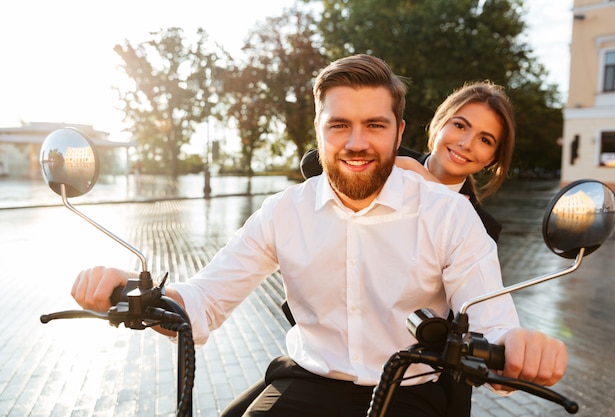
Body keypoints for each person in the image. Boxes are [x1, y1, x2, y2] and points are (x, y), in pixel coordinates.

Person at [72, 54, 567, 417]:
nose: (356, 142)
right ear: (318, 131)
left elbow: (491, 320)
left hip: (410, 392)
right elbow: (206, 296)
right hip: (308, 380)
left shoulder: (453, 217)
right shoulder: (285, 210)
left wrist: (518, 346)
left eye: (374, 125)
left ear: (399, 133)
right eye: (339, 126)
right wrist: (143, 295)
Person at [300, 80, 515, 242]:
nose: (467, 143)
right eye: (460, 126)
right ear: (439, 124)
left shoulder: (483, 226)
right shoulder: (390, 158)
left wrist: (442, 200)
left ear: (493, 158)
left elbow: (459, 299)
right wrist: (412, 169)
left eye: (485, 140)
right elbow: (311, 163)